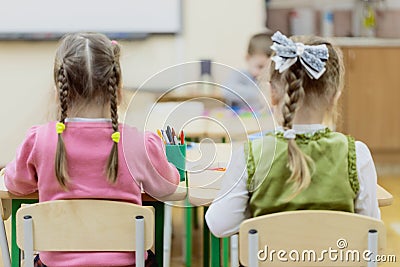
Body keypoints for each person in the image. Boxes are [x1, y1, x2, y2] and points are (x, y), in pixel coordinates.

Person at [2, 32, 180, 266]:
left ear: (59, 92)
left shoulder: (40, 140)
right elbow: (167, 187)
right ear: (117, 91)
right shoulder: (136, 143)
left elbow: (15, 184)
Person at [206, 31, 380, 238]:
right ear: (334, 97)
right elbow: (371, 231)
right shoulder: (357, 155)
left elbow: (219, 225)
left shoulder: (252, 154)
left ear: (272, 94)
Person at [223, 32, 273, 112]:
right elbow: (227, 90)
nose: (264, 73)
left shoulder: (273, 80)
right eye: (260, 67)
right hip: (241, 120)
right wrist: (260, 95)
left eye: (270, 69)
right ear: (248, 58)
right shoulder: (240, 75)